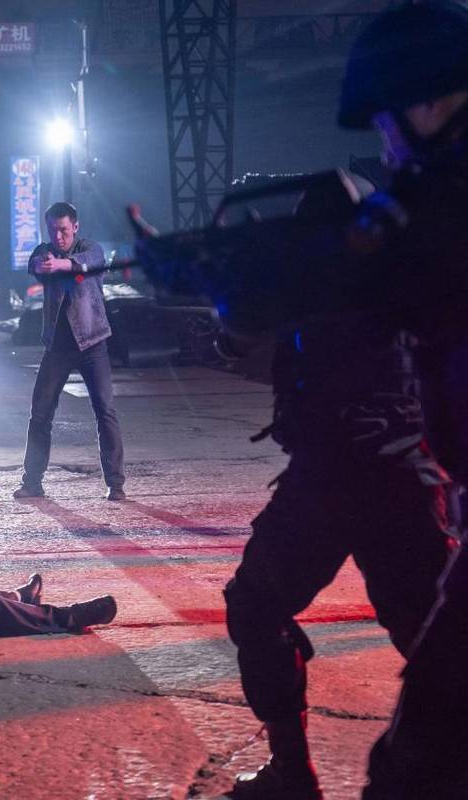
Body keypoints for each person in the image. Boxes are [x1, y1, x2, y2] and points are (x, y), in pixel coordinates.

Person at [219, 174, 454, 800]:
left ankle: (295, 775)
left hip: (358, 480)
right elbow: (236, 337)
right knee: (432, 633)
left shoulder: (354, 279)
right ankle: (291, 774)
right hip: (373, 480)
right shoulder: (395, 272)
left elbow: (236, 334)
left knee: (439, 638)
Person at [327, 5, 468, 796]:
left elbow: (371, 284)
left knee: (418, 763)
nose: (386, 147)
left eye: (387, 122)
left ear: (430, 102)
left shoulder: (443, 204)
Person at [15, 202, 125, 501]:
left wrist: (61, 265)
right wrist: (42, 265)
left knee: (105, 411)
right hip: (58, 348)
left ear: (75, 227)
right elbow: (35, 264)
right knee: (40, 413)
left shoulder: (91, 248)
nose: (58, 236)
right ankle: (32, 482)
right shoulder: (44, 251)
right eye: (52, 230)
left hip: (93, 343)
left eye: (63, 230)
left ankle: (116, 484)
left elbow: (90, 262)